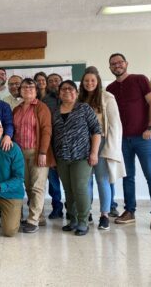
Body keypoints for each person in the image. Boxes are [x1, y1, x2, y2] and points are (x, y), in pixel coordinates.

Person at [106, 53, 151, 229]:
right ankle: (129, 211)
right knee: (127, 176)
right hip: (121, 140)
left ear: (126, 63)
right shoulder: (109, 89)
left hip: (143, 138)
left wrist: (150, 128)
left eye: (119, 62)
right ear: (110, 68)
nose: (117, 65)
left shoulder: (140, 79)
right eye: (113, 64)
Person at [78, 67, 125, 230]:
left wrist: (111, 148)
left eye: (92, 80)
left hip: (103, 143)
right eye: (86, 80)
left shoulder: (107, 97)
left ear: (97, 82)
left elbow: (115, 125)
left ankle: (104, 214)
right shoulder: (79, 99)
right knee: (85, 181)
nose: (89, 83)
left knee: (102, 180)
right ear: (82, 82)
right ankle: (87, 212)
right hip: (83, 144)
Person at [52, 80, 101, 236]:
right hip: (61, 157)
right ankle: (72, 220)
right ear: (59, 93)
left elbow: (96, 131)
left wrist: (94, 153)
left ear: (77, 92)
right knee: (68, 190)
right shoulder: (54, 111)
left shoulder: (84, 108)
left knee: (80, 189)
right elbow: (52, 136)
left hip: (82, 156)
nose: (67, 91)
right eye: (64, 89)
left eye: (71, 89)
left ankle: (83, 222)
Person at [13, 78, 55, 233]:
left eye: (31, 87)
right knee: (29, 187)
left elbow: (46, 130)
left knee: (37, 187)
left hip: (37, 152)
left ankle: (32, 220)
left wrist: (43, 152)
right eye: (24, 87)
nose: (27, 89)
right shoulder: (16, 109)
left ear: (36, 90)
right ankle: (40, 216)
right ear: (20, 91)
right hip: (20, 154)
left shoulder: (41, 107)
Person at [42, 73, 64, 219]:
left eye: (56, 80)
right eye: (50, 81)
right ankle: (57, 207)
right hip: (50, 145)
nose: (54, 83)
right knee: (53, 180)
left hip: (68, 146)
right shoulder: (44, 101)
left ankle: (73, 208)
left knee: (71, 180)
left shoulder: (70, 98)